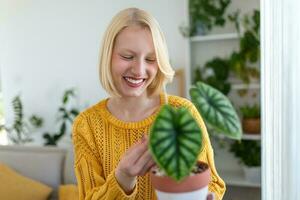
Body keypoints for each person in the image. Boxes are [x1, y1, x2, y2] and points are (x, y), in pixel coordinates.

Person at [72, 7, 226, 200]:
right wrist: (123, 176)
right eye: (127, 57)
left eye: (151, 59)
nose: (139, 70)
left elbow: (213, 185)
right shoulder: (87, 125)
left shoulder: (182, 113)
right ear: (108, 55)